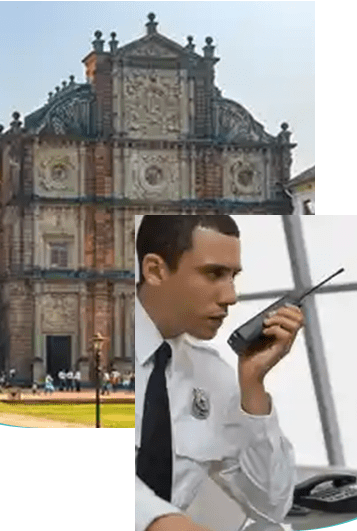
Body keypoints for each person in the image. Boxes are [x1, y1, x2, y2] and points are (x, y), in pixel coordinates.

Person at [135, 215, 303, 531]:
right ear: (155, 270)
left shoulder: (212, 374)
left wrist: (253, 386)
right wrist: (160, 522)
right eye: (214, 274)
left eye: (232, 277)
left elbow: (270, 507)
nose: (231, 296)